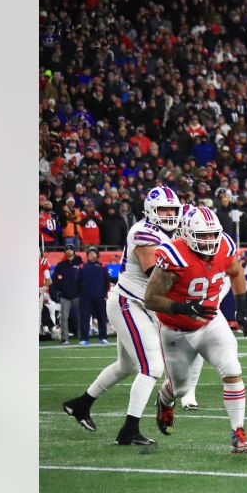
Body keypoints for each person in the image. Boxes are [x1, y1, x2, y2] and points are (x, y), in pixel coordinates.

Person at [61, 187, 203, 443]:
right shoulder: (143, 232)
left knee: (125, 366)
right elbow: (154, 273)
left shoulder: (170, 233)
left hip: (140, 305)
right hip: (129, 303)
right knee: (152, 367)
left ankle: (80, 405)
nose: (170, 214)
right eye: (164, 210)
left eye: (173, 210)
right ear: (151, 211)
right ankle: (129, 430)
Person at [143, 206, 247, 453]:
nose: (209, 240)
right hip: (176, 329)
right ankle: (164, 399)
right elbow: (150, 298)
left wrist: (242, 306)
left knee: (232, 368)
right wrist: (184, 307)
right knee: (180, 387)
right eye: (202, 235)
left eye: (213, 234)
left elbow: (236, 272)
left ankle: (238, 433)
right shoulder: (175, 256)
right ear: (187, 233)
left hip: (210, 320)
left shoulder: (224, 245)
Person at [77, 246, 110, 345]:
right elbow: (78, 281)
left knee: (102, 318)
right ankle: (84, 339)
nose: (92, 254)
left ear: (97, 254)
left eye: (93, 253)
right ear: (87, 255)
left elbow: (107, 282)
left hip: (99, 296)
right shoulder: (82, 266)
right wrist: (82, 294)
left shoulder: (103, 266)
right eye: (90, 253)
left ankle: (103, 337)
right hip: (85, 297)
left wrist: (104, 294)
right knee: (84, 318)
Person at [50, 246, 82, 345]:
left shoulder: (80, 263)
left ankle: (82, 337)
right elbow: (55, 279)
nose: (68, 251)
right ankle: (64, 338)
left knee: (80, 316)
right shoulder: (60, 265)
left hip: (78, 294)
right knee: (64, 317)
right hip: (64, 295)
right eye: (67, 249)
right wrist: (58, 292)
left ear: (74, 251)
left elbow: (84, 277)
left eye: (70, 249)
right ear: (65, 252)